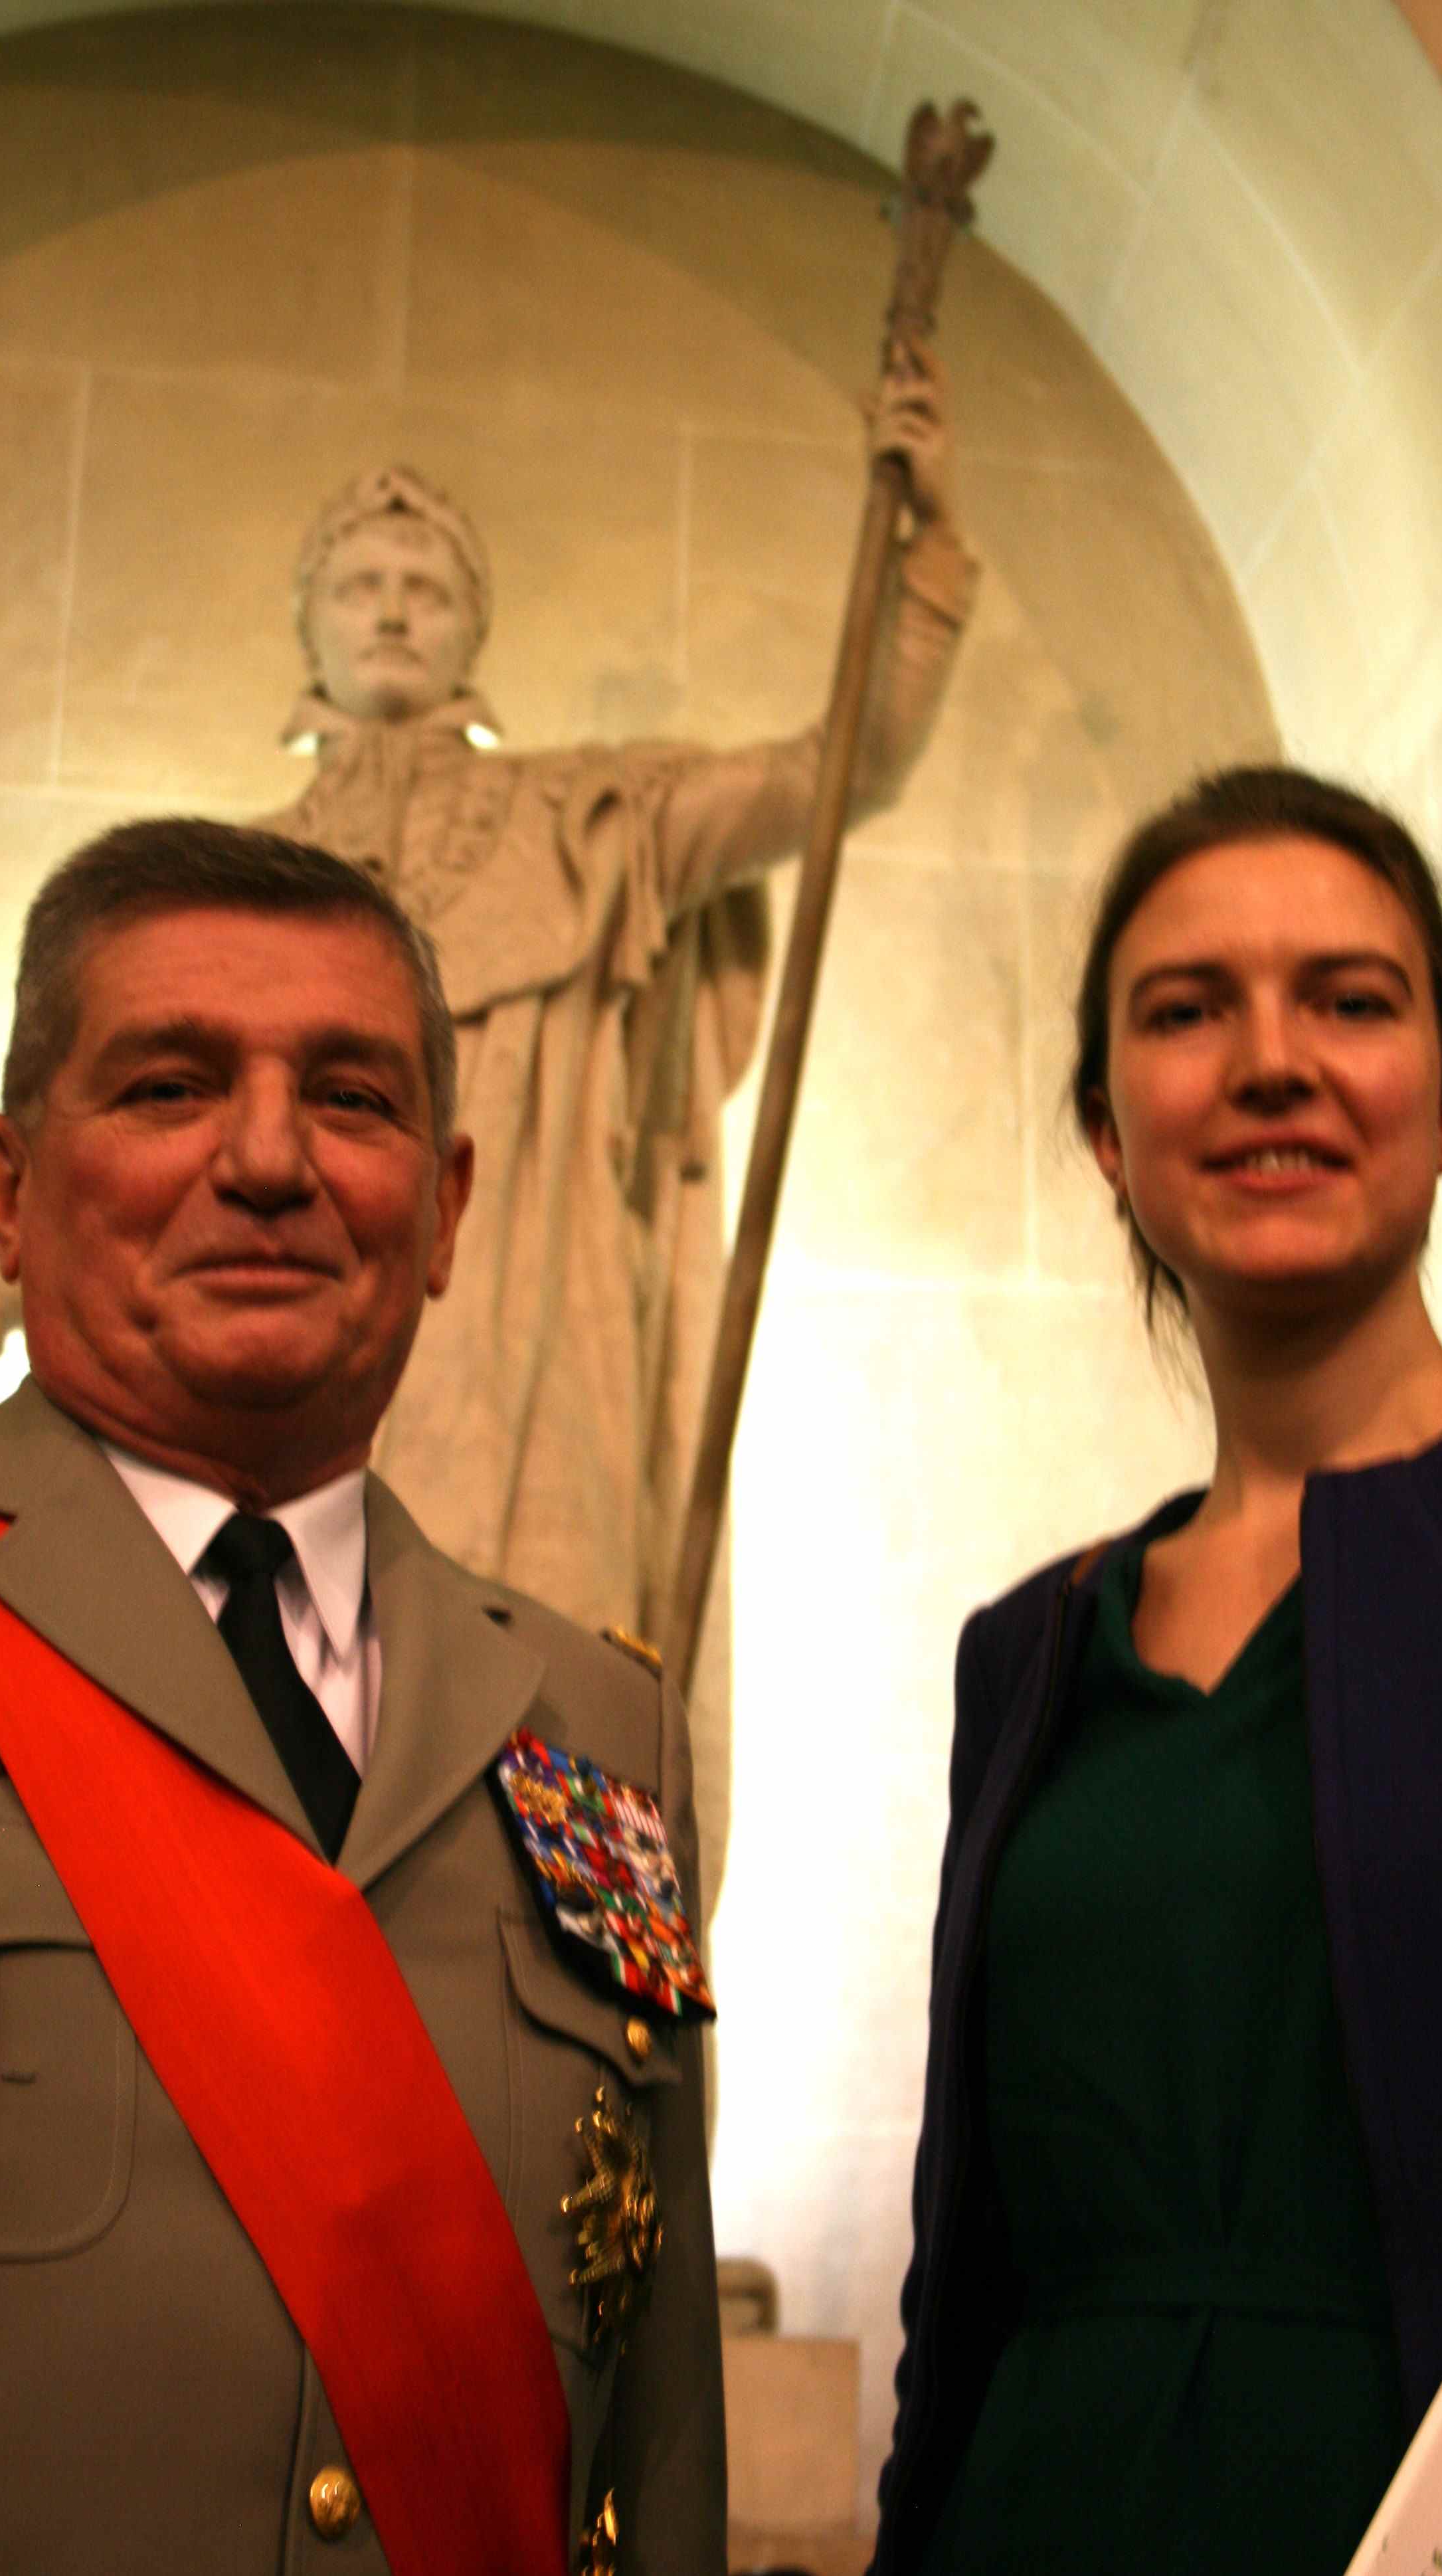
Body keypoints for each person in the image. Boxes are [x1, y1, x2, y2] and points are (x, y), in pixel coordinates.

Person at [869, 765, 1442, 2576]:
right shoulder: (1028, 1647)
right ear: (1108, 1128)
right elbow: (968, 2263)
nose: (1270, 1061)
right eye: (1187, 1012)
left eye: (1349, 998)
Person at [0, 818, 725, 2576]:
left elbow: (661, 2434)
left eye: (354, 1100)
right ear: (5, 1189)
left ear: (448, 1208)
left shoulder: (600, 1732)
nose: (266, 1160)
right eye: (168, 1087)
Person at [267, 361, 976, 1898]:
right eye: (364, 582)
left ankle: (601, 2107)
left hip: (540, 1354)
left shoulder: (598, 820)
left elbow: (831, 768)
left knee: (565, 1766)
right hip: (282, 1383)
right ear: (308, 621)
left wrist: (920, 555)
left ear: (475, 628)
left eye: (427, 585)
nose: (394, 609)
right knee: (262, 1827)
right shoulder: (218, 877)